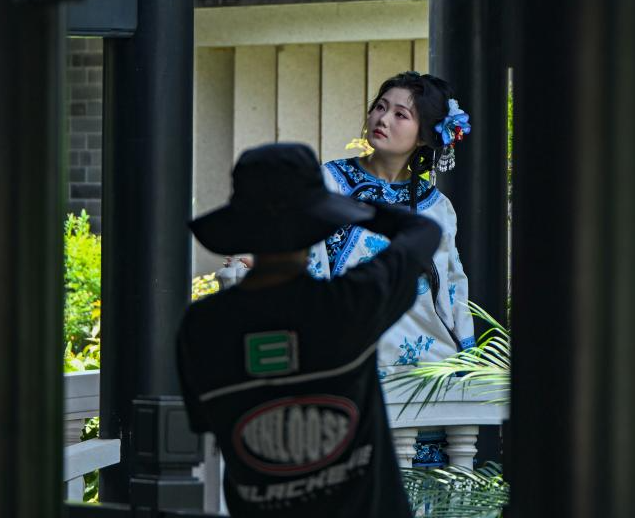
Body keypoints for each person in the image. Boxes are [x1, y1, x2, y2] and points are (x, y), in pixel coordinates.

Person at [177, 142, 441, 518]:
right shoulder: (348, 305)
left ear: (241, 225)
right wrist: (359, 209)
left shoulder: (203, 328)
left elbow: (207, 422)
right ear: (319, 221)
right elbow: (423, 231)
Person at [307, 71, 475, 377]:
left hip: (430, 371)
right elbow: (310, 266)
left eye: (400, 114)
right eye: (380, 107)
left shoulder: (437, 206)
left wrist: (467, 362)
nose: (383, 119)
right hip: (350, 363)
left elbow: (453, 288)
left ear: (423, 135)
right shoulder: (327, 182)